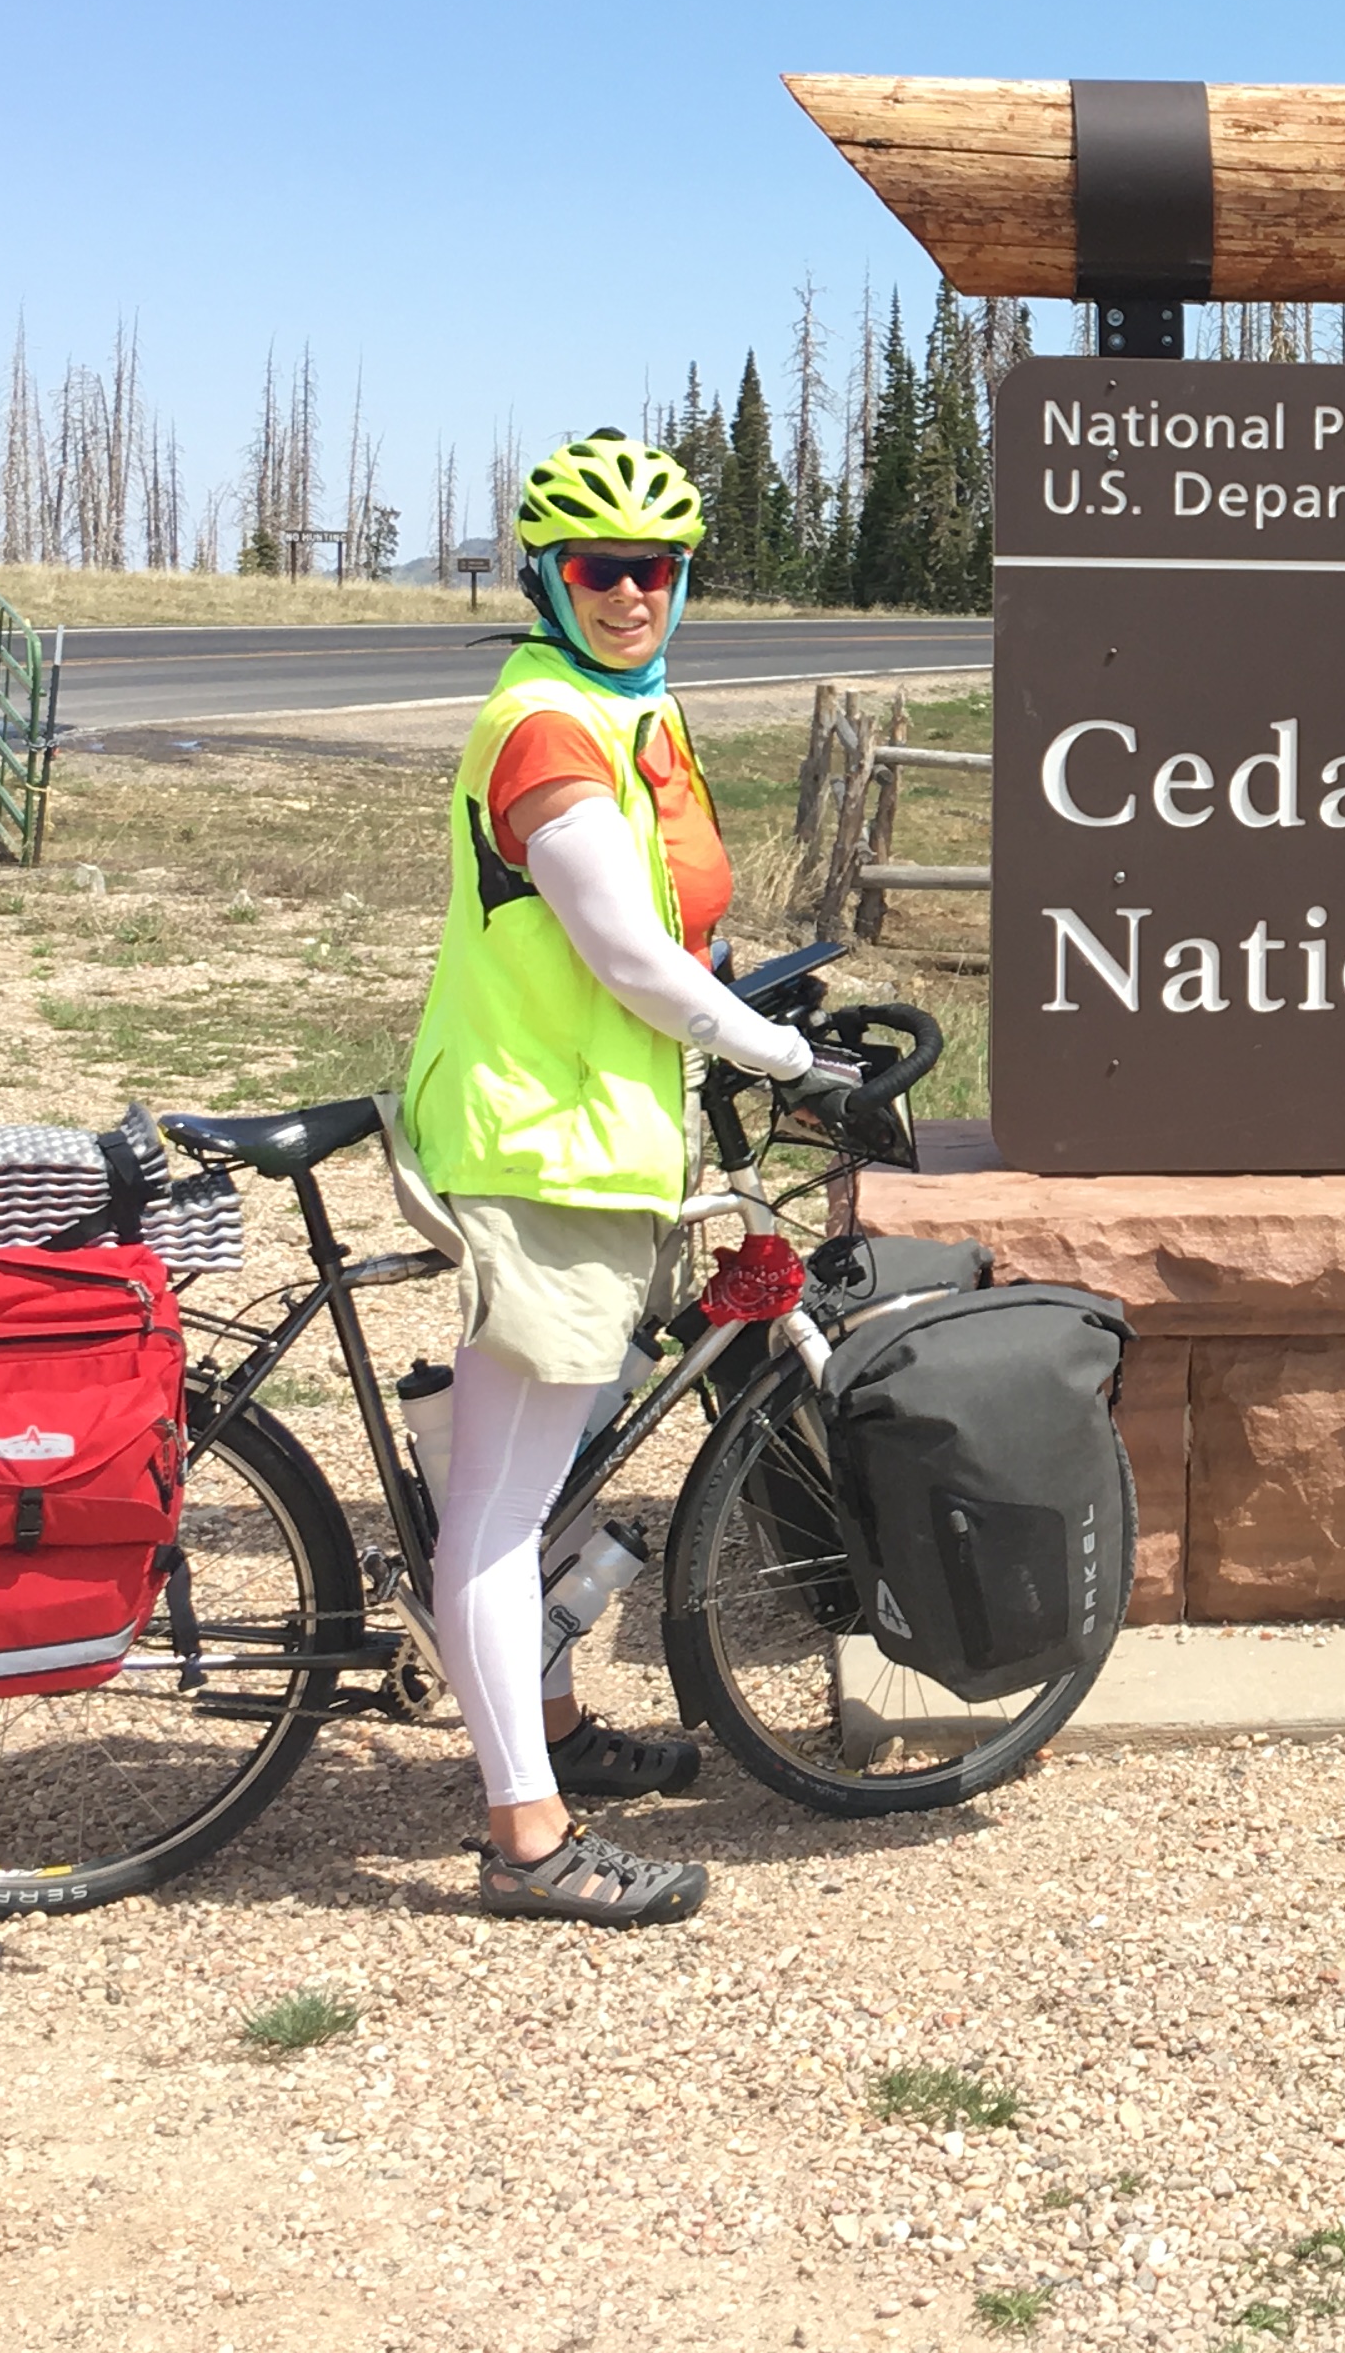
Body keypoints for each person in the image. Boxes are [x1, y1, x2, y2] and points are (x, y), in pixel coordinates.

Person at [397, 429, 852, 1927]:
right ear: (548, 575)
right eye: (600, 567)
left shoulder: (632, 711)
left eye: (656, 568)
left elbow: (674, 924)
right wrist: (777, 1054)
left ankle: (556, 1731)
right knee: (499, 1511)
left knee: (562, 1464)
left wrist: (747, 993)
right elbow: (623, 953)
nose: (631, 592)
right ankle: (526, 1840)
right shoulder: (546, 728)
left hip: (600, 1142)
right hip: (539, 1149)